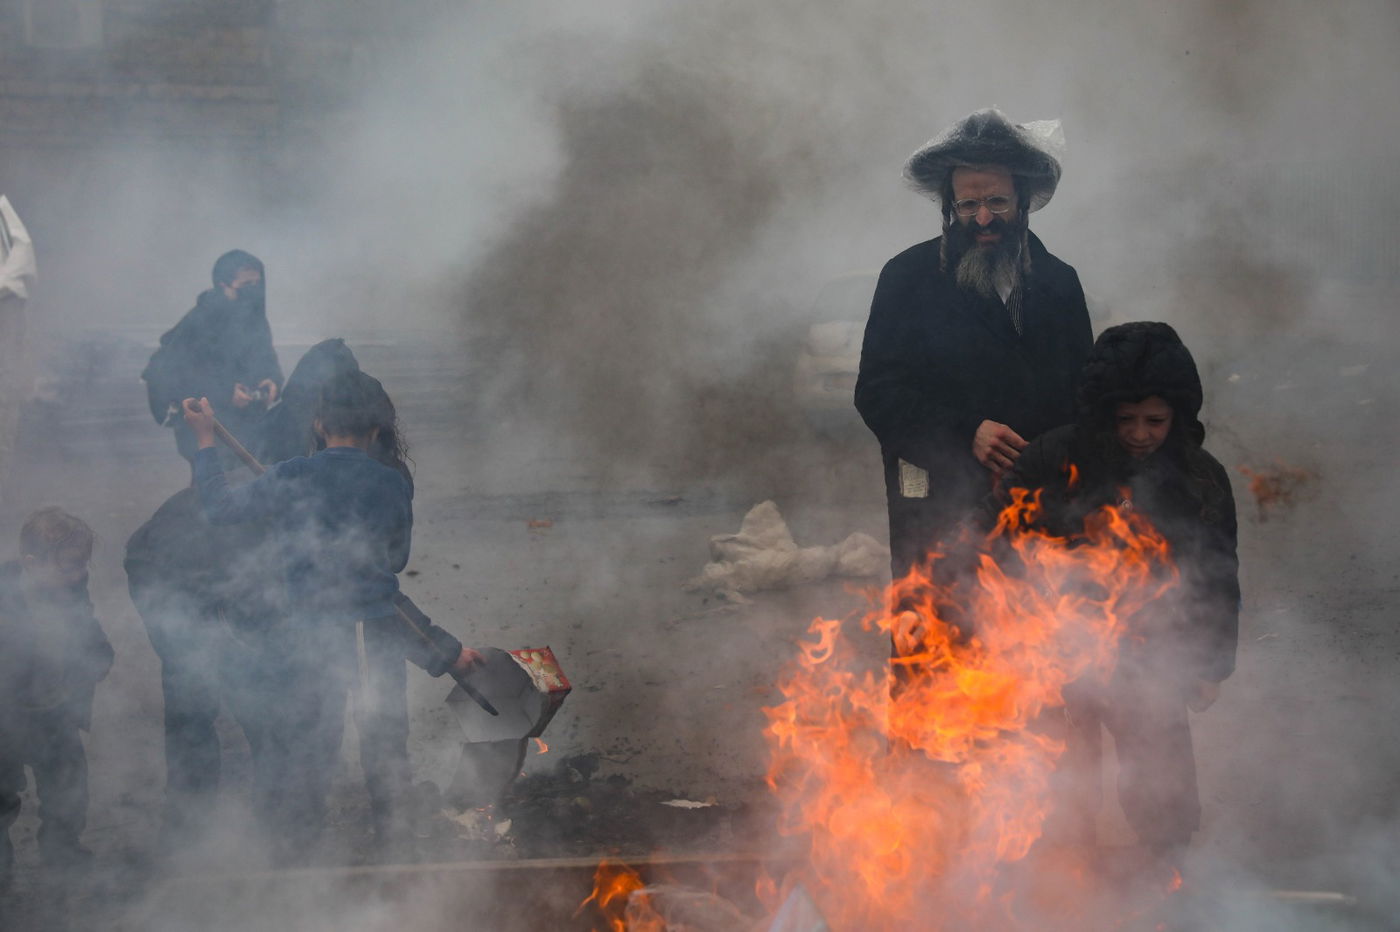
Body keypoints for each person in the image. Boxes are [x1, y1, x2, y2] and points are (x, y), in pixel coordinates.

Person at [182, 370, 480, 862]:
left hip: (303, 639)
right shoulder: (389, 483)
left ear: (320, 425)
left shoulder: (292, 474)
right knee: (383, 747)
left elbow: (218, 507)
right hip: (372, 635)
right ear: (377, 430)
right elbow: (395, 562)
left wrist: (206, 439)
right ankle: (395, 848)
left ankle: (297, 857)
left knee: (307, 748)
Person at [988, 321, 1239, 868]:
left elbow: (1217, 575)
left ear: (1178, 415)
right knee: (1063, 777)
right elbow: (1003, 544)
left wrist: (1210, 663)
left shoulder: (1199, 479)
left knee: (1159, 776)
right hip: (1060, 651)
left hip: (1153, 656)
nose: (1141, 433)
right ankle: (1063, 877)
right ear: (1103, 413)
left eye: (1156, 420)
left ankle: (1166, 869)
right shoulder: (1052, 462)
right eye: (1126, 419)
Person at [855, 109, 1093, 580]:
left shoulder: (1059, 283)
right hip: (939, 505)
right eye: (968, 205)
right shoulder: (907, 278)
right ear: (949, 207)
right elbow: (877, 393)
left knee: (1034, 641)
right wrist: (967, 432)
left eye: (998, 202)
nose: (983, 218)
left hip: (1037, 506)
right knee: (940, 632)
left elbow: (1085, 398)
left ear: (1023, 202)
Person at [0, 508, 113, 884]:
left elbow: (86, 626)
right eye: (67, 566)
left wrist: (98, 653)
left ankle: (63, 852)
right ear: (31, 562)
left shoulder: (71, 586)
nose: (78, 574)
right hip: (6, 719)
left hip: (55, 711)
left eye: (82, 565)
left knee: (69, 789)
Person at [142, 250, 283, 471]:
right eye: (246, 285)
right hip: (206, 424)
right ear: (223, 284)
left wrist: (272, 380)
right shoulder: (200, 319)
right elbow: (177, 371)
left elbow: (266, 358)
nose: (253, 291)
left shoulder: (256, 320)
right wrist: (226, 392)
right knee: (212, 483)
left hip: (246, 422)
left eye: (257, 283)